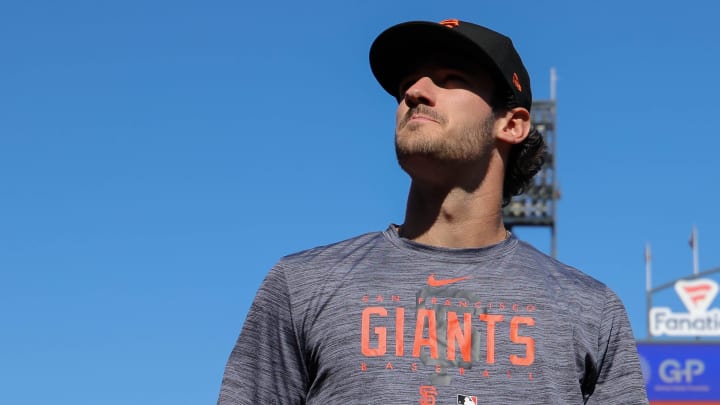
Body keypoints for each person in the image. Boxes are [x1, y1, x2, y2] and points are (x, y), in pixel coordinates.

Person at [218, 19, 649, 404]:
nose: (415, 92)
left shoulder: (591, 309)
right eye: (409, 81)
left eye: (450, 78)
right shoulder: (301, 286)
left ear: (512, 123)